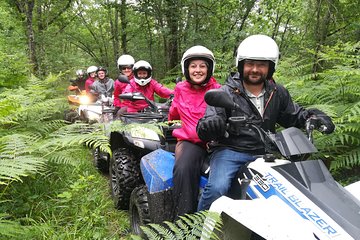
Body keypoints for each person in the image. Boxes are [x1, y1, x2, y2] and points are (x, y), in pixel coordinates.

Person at [196, 34, 335, 211]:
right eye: (250, 64)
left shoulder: (278, 92)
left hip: (267, 153)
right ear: (241, 65)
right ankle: (200, 228)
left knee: (294, 193)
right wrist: (212, 124)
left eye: (261, 65)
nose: (255, 69)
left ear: (270, 67)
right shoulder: (226, 92)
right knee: (218, 188)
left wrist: (313, 117)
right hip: (231, 151)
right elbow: (207, 122)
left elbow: (293, 115)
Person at [168, 46, 221, 219]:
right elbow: (174, 113)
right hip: (191, 142)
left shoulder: (219, 89)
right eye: (193, 66)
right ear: (186, 69)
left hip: (218, 143)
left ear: (209, 68)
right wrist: (169, 122)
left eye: (202, 66)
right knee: (184, 168)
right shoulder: (180, 89)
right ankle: (183, 221)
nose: (197, 70)